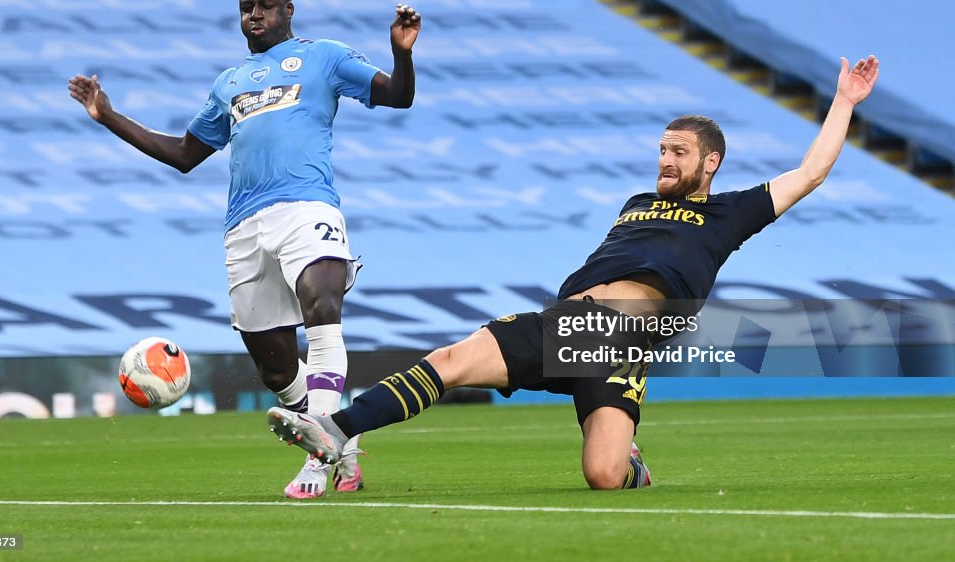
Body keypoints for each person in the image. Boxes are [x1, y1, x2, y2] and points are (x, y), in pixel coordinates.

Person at [268, 55, 880, 490]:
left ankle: (629, 463)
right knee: (452, 361)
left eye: (679, 152)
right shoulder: (637, 203)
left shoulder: (729, 213)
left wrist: (844, 102)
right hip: (574, 325)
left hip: (622, 343)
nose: (664, 160)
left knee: (604, 477)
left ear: (710, 162)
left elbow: (811, 173)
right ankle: (334, 430)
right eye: (662, 149)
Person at [68, 0, 422, 499]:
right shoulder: (229, 83)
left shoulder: (324, 56)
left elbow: (397, 96)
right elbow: (185, 155)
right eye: (245, 7)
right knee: (276, 367)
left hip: (307, 206)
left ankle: (320, 452)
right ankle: (343, 449)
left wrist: (401, 52)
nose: (254, 14)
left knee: (322, 307)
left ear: (288, 10)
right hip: (245, 226)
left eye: (265, 5)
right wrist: (108, 116)